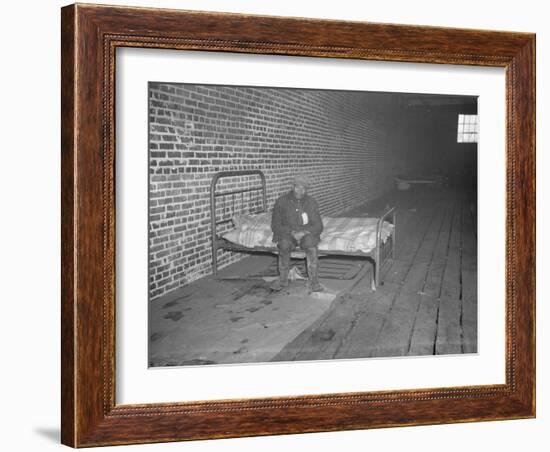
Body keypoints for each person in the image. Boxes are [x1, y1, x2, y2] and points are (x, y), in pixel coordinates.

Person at [270, 174, 324, 292]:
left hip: (306, 234)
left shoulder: (311, 202)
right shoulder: (281, 201)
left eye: (304, 188)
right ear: (292, 187)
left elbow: (319, 225)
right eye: (298, 187)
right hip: (288, 233)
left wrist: (305, 232)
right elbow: (275, 225)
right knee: (283, 244)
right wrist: (291, 232)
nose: (300, 190)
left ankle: (313, 281)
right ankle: (283, 280)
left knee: (311, 245)